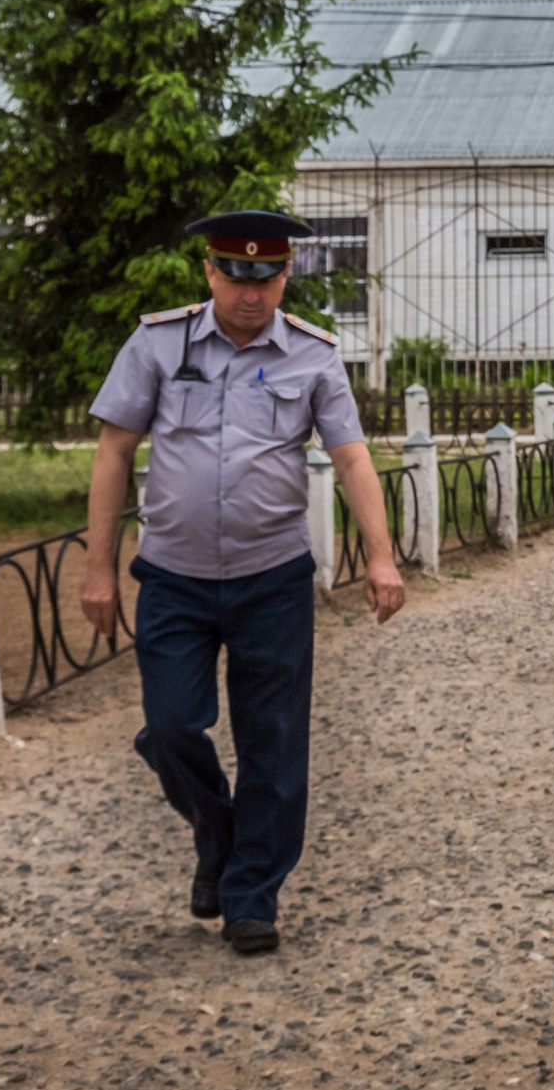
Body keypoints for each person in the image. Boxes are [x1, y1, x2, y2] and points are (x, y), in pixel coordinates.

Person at [81, 210, 407, 958]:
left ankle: (251, 897)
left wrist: (381, 556)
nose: (250, 293)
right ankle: (217, 832)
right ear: (209, 271)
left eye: (266, 277)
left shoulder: (313, 356)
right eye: (235, 276)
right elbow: (113, 451)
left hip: (272, 579)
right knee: (170, 724)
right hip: (174, 577)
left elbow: (352, 457)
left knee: (274, 742)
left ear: (285, 276)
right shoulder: (157, 343)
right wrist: (98, 568)